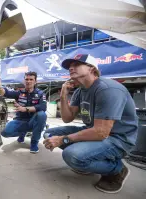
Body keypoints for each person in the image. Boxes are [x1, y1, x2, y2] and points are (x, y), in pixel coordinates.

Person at [43, 54, 138, 193]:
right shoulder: (80, 91)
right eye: (69, 66)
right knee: (49, 134)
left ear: (92, 69)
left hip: (119, 138)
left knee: (72, 155)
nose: (71, 68)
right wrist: (63, 96)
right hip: (94, 131)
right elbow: (67, 118)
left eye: (76, 65)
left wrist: (63, 139)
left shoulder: (107, 89)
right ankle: (89, 160)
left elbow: (101, 132)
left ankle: (117, 170)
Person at [0, 71, 47, 153]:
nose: (28, 81)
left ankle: (34, 143)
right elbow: (6, 93)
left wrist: (26, 109)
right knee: (5, 132)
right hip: (20, 120)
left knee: (42, 115)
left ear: (35, 81)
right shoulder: (19, 93)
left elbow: (43, 107)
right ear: (24, 81)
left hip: (34, 121)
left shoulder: (40, 93)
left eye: (31, 79)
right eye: (26, 79)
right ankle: (22, 133)